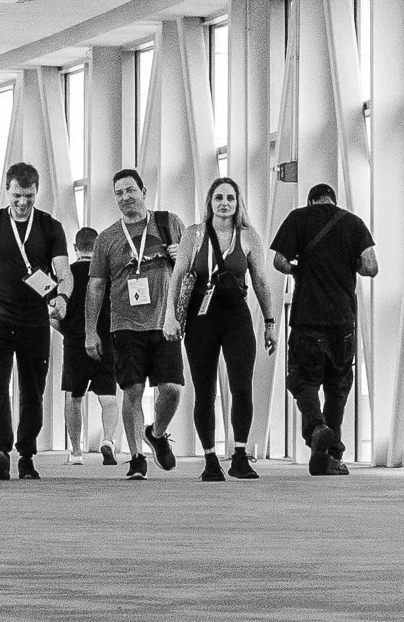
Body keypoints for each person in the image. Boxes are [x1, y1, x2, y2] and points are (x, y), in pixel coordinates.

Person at [166, 175, 276, 482]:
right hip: (201, 319)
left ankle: (239, 456)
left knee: (241, 386)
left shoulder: (248, 236)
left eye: (230, 198)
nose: (224, 203)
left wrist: (270, 322)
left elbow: (261, 281)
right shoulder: (194, 234)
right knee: (205, 390)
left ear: (238, 203)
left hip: (236, 318)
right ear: (210, 202)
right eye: (219, 198)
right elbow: (178, 276)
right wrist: (170, 317)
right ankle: (210, 460)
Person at [269, 181, 377, 474]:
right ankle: (332, 456)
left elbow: (279, 261)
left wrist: (297, 269)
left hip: (307, 317)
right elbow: (370, 266)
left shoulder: (298, 218)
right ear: (333, 199)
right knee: (337, 388)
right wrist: (349, 263)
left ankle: (317, 427)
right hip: (342, 321)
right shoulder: (353, 223)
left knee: (302, 380)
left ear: (311, 200)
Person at [86, 168, 186, 479]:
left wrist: (181, 256)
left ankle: (156, 433)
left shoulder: (170, 224)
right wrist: (90, 331)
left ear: (143, 191)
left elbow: (193, 269)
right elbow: (96, 285)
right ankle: (136, 457)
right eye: (119, 193)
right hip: (125, 324)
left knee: (171, 389)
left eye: (130, 190)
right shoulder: (107, 238)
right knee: (133, 390)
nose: (125, 197)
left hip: (165, 321)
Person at [0, 161, 73, 480]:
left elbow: (64, 272)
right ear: (7, 190)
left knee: (33, 390)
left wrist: (62, 297)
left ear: (37, 192)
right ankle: (0, 451)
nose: (22, 202)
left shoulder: (49, 227)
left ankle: (27, 455)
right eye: (17, 195)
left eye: (29, 196)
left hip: (34, 321)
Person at [60, 224, 123, 467]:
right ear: (98, 247)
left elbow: (54, 316)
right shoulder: (109, 275)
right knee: (108, 398)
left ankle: (76, 452)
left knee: (74, 398)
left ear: (75, 247)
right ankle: (108, 440)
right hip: (105, 341)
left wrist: (68, 331)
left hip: (74, 342)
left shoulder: (66, 276)